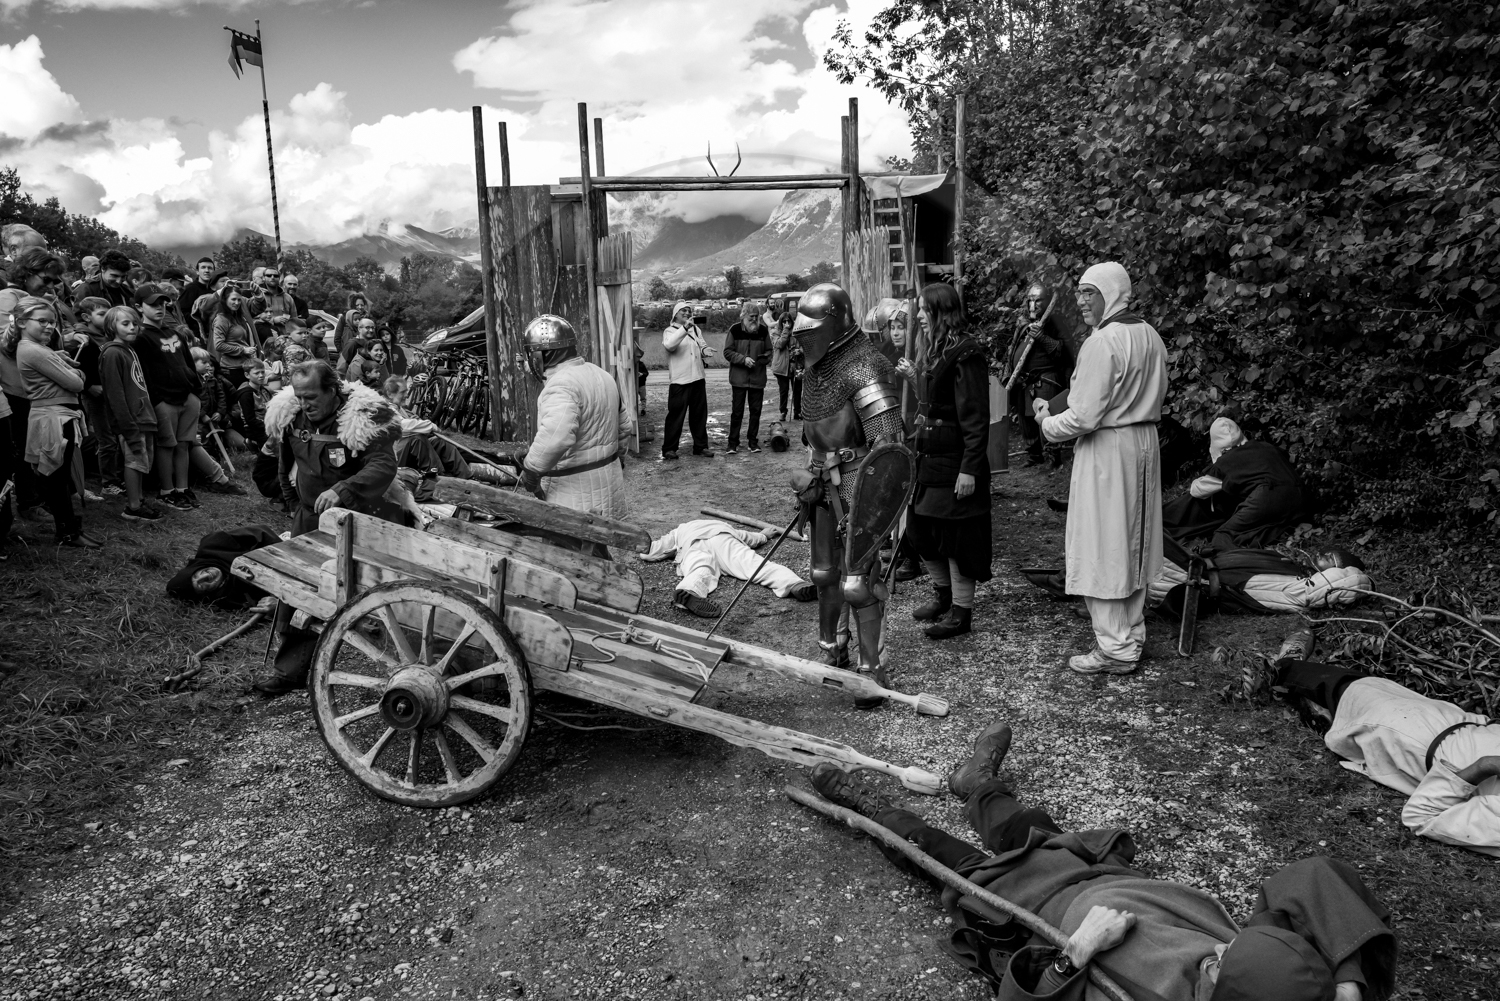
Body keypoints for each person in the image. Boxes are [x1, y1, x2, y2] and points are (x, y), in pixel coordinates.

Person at [809, 721, 1396, 1001]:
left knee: (928, 850)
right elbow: (1316, 876)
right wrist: (1347, 982)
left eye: (1220, 962)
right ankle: (975, 784)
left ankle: (861, 805)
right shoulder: (1268, 978)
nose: (1218, 945)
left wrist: (1075, 955)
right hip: (1090, 871)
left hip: (1016, 906)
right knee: (1026, 826)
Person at [1038, 262, 1168, 675]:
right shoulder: (1149, 334)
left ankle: (1115, 647)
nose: (1081, 300)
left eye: (1088, 292)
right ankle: (1129, 633)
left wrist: (1046, 422)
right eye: (1078, 293)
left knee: (1106, 543)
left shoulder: (1104, 342)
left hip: (1109, 449)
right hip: (1143, 442)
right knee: (1134, 540)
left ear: (1111, 292)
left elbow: (1083, 417)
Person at [789, 283, 913, 703]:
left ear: (835, 323)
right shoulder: (815, 372)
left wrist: (872, 505)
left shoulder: (866, 365)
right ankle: (831, 651)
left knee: (857, 584)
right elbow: (815, 439)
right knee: (824, 575)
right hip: (824, 482)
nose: (804, 337)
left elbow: (889, 445)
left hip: (861, 481)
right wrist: (811, 475)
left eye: (812, 328)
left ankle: (871, 671)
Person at [255, 360, 402, 695]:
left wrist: (343, 490)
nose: (306, 403)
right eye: (300, 395)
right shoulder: (291, 417)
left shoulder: (363, 418)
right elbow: (285, 463)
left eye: (312, 396)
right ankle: (289, 670)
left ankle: (402, 666)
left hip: (359, 521)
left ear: (333, 390)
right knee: (299, 591)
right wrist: (294, 503)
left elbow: (383, 464)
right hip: (309, 519)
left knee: (379, 594)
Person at [1277, 660, 1500, 857]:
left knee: (1346, 689)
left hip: (1412, 739)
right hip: (1453, 717)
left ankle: (1277, 669)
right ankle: (1294, 677)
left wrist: (1484, 766)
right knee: (1367, 684)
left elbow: (1420, 816)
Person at [893, 283, 992, 639]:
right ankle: (943, 596)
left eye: (923, 309)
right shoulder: (934, 350)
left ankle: (961, 613)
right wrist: (915, 378)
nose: (918, 315)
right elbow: (934, 403)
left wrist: (970, 468)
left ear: (940, 311)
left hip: (954, 459)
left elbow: (975, 416)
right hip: (928, 455)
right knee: (921, 533)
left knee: (956, 539)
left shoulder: (966, 353)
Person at [518, 315, 633, 523]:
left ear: (540, 355)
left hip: (573, 495)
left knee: (565, 551)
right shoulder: (602, 375)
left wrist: (531, 470)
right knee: (593, 551)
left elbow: (556, 438)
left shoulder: (561, 385)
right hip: (608, 483)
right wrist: (615, 460)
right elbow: (625, 427)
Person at [8, 297, 99, 547]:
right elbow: (77, 383)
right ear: (22, 322)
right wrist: (76, 371)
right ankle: (67, 532)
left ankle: (69, 528)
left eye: (52, 322)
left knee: (60, 476)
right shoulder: (33, 350)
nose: (49, 326)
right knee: (57, 478)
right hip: (54, 419)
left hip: (57, 416)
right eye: (42, 321)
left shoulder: (40, 348)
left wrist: (60, 360)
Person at [1164, 416, 1308, 549]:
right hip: (1300, 497)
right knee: (1263, 524)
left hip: (1268, 496)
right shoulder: (1267, 447)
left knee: (1224, 535)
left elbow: (1198, 490)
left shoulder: (1228, 459)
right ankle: (1283, 535)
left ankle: (1236, 565)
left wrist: (1225, 483)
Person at [643, 517, 816, 617]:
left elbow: (651, 551)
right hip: (723, 539)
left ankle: (689, 591)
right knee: (755, 565)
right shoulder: (724, 526)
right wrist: (764, 536)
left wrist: (659, 552)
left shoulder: (680, 530)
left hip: (693, 546)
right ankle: (794, 584)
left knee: (699, 570)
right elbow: (750, 537)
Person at [132, 288, 202, 512]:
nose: (160, 308)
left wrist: (195, 390)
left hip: (186, 396)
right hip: (164, 400)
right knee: (166, 445)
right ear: (139, 307)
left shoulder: (176, 333)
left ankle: (182, 488)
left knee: (183, 444)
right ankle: (166, 491)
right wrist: (156, 400)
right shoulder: (140, 337)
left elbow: (188, 363)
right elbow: (144, 373)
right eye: (153, 304)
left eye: (163, 304)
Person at [97, 305, 162, 522]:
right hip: (132, 421)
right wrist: (128, 425)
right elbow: (115, 395)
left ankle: (139, 499)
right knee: (134, 461)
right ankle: (133, 507)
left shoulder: (129, 349)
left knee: (142, 461)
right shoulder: (113, 353)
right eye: (125, 323)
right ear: (111, 326)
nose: (132, 327)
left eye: (135, 323)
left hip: (144, 417)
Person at [1008, 282, 1073, 467]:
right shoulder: (1022, 323)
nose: (1032, 305)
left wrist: (1042, 337)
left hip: (1046, 379)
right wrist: (1010, 373)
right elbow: (1012, 349)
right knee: (1025, 419)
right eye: (1030, 300)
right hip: (1023, 379)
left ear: (1046, 301)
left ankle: (1052, 456)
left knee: (1046, 417)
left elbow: (1066, 353)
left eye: (1037, 301)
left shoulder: (1055, 322)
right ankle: (1033, 455)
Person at [165, 525, 280, 609]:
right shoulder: (232, 597)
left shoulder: (214, 545)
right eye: (201, 585)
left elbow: (262, 533)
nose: (205, 576)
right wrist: (280, 606)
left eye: (196, 575)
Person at [660, 301, 713, 459]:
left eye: (689, 310)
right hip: (680, 381)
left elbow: (700, 344)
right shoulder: (669, 331)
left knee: (699, 415)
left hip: (697, 378)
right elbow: (670, 346)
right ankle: (669, 449)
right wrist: (685, 328)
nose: (687, 313)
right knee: (676, 416)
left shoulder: (696, 329)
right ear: (675, 314)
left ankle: (701, 446)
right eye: (683, 310)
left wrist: (705, 350)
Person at [723, 301, 771, 454]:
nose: (755, 319)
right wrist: (743, 359)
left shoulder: (763, 331)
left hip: (758, 379)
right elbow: (727, 352)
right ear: (743, 316)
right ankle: (732, 443)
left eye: (757, 316)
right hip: (739, 379)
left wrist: (765, 358)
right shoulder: (735, 330)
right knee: (737, 412)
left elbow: (770, 350)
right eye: (751, 316)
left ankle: (752, 442)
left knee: (756, 412)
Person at [209, 285, 257, 386]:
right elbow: (219, 345)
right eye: (233, 299)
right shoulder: (221, 320)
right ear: (225, 300)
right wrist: (243, 350)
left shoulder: (237, 317)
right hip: (231, 369)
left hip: (244, 365)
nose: (237, 303)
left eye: (239, 300)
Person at [769, 298, 800, 422]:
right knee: (784, 391)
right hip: (781, 367)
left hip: (796, 365)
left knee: (798, 390)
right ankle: (783, 412)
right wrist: (786, 331)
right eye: (784, 321)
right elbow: (780, 344)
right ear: (780, 322)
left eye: (789, 321)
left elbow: (803, 346)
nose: (786, 323)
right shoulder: (775, 333)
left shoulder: (797, 333)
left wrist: (800, 351)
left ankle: (798, 411)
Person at [177, 257, 216, 338]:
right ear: (197, 271)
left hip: (215, 335)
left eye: (210, 268)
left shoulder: (215, 290)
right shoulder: (190, 289)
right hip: (197, 336)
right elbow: (181, 312)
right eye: (203, 267)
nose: (207, 270)